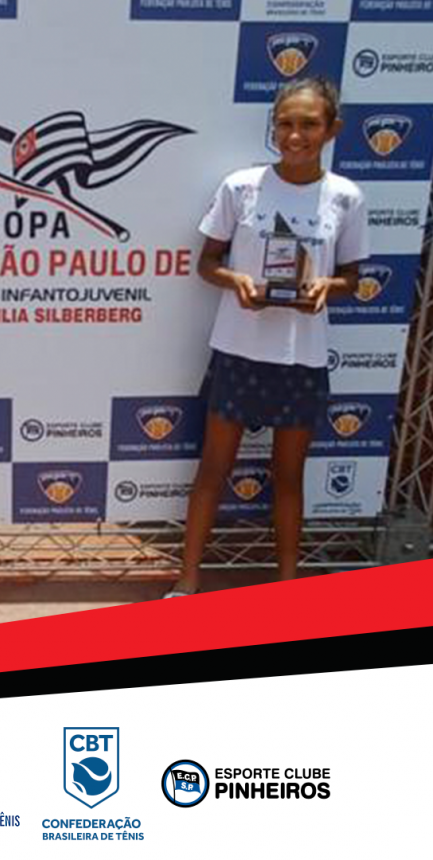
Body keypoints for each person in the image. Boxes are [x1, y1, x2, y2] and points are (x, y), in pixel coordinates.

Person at [167, 77, 369, 597]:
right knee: (213, 468)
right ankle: (187, 583)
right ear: (273, 127)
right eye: (285, 123)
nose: (295, 135)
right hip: (239, 347)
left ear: (332, 129)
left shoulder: (346, 197)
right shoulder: (241, 187)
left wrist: (328, 286)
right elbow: (207, 263)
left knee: (289, 475)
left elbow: (353, 277)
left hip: (302, 355)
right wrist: (236, 281)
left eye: (309, 124)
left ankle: (286, 589)